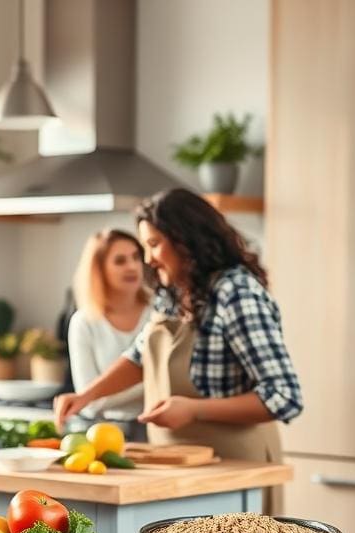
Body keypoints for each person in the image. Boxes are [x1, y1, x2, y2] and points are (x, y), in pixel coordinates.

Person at [55, 189, 303, 514]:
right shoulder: (173, 293)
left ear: (187, 241)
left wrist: (195, 409)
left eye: (154, 244)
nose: (147, 259)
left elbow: (284, 396)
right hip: (182, 471)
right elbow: (139, 357)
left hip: (237, 468)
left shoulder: (237, 295)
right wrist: (86, 396)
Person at [68, 228, 153, 440]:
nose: (132, 266)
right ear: (99, 270)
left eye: (136, 257)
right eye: (120, 261)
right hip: (105, 435)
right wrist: (152, 384)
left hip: (157, 429)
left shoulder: (160, 313)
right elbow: (89, 404)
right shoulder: (83, 322)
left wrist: (101, 393)